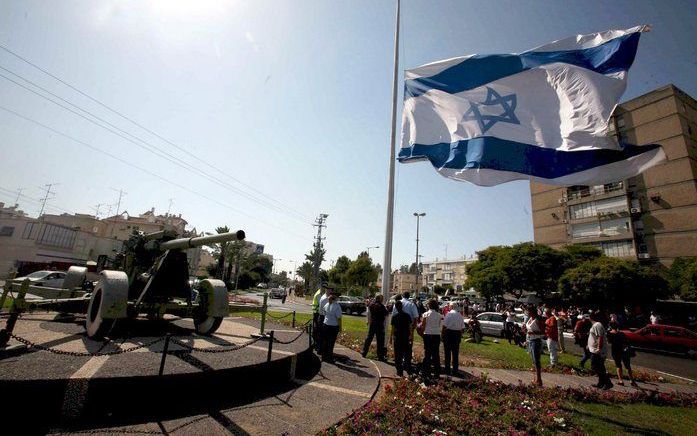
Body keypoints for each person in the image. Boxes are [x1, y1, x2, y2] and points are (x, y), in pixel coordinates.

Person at [392, 292, 419, 373]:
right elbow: (416, 317)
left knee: (398, 350)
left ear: (403, 296)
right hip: (407, 329)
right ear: (409, 296)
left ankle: (399, 367)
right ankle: (407, 365)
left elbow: (393, 317)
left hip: (397, 330)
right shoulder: (411, 304)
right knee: (407, 348)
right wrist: (413, 328)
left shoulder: (397, 304)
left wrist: (392, 334)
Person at [419, 299, 443, 380]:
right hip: (436, 335)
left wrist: (422, 333)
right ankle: (437, 373)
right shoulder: (439, 315)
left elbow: (423, 326)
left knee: (427, 354)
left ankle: (427, 372)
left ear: (429, 305)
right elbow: (439, 325)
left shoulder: (425, 314)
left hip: (428, 335)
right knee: (436, 354)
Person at [588, 311, 612, 390]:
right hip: (594, 349)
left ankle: (608, 383)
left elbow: (600, 337)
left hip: (597, 350)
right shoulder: (596, 325)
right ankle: (601, 383)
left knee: (595, 366)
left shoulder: (597, 325)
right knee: (600, 367)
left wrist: (599, 348)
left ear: (590, 317)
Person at [608, 322, 637, 387]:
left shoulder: (609, 334)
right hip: (624, 351)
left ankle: (621, 380)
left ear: (611, 327)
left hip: (615, 351)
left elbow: (609, 341)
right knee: (628, 366)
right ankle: (631, 380)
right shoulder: (622, 334)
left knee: (618, 366)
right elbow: (627, 342)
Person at [442, 302, 465, 376]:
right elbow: (462, 328)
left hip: (449, 334)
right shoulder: (460, 315)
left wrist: (442, 334)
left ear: (451, 307)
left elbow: (444, 326)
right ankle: (455, 370)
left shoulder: (449, 314)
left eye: (449, 306)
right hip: (457, 334)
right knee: (455, 353)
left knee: (447, 353)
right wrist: (460, 335)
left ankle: (447, 369)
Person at [524, 305, 545, 386]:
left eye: (528, 311)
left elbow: (543, 332)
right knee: (533, 361)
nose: (527, 312)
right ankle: (535, 379)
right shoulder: (530, 319)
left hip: (536, 341)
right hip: (530, 340)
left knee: (536, 361)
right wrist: (525, 330)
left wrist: (533, 333)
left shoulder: (537, 320)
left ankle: (539, 380)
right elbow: (529, 329)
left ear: (532, 311)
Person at [362, 294, 388, 360]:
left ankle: (364, 352)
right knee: (380, 341)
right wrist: (386, 307)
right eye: (382, 298)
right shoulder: (382, 306)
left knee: (369, 338)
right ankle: (380, 356)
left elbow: (368, 313)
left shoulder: (371, 305)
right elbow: (386, 314)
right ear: (380, 299)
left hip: (373, 324)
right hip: (380, 325)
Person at [390, 301, 412, 377]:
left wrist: (390, 338)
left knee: (398, 355)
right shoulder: (407, 316)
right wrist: (410, 336)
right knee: (406, 353)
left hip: (398, 337)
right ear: (402, 306)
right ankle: (407, 368)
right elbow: (410, 327)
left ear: (396, 307)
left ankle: (399, 371)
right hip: (405, 337)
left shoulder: (394, 317)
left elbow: (393, 328)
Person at [321, 293, 342, 363]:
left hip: (325, 324)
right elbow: (339, 318)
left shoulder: (327, 304)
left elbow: (324, 313)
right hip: (333, 326)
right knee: (331, 343)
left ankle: (324, 357)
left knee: (325, 341)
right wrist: (340, 327)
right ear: (335, 299)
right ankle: (329, 358)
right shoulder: (337, 306)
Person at [311, 285, 326, 352]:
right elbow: (322, 305)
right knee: (317, 329)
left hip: (317, 313)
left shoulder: (320, 293)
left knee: (316, 329)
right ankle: (315, 344)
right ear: (321, 287)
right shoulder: (319, 295)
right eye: (324, 287)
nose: (325, 289)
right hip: (317, 313)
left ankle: (315, 343)